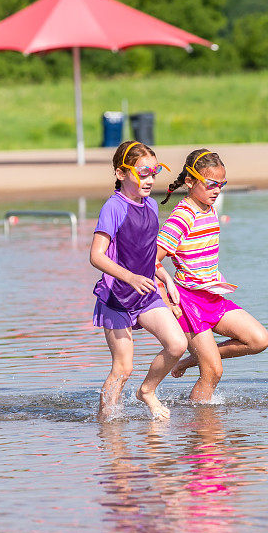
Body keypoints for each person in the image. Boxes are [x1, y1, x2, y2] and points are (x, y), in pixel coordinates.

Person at [156, 148, 268, 401]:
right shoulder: (182, 216)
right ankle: (202, 433)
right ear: (190, 181)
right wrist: (167, 300)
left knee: (258, 339)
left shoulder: (209, 208)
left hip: (212, 295)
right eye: (211, 184)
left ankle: (190, 360)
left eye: (222, 184)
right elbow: (151, 261)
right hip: (187, 301)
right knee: (213, 372)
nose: (217, 190)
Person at [90, 140, 187, 420]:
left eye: (155, 172)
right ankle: (106, 425)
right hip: (116, 296)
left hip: (145, 293)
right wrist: (130, 277)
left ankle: (147, 391)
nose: (150, 179)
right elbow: (96, 255)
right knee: (123, 368)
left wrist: (166, 278)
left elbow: (145, 253)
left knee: (177, 345)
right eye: (143, 172)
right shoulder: (114, 208)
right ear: (122, 174)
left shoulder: (152, 206)